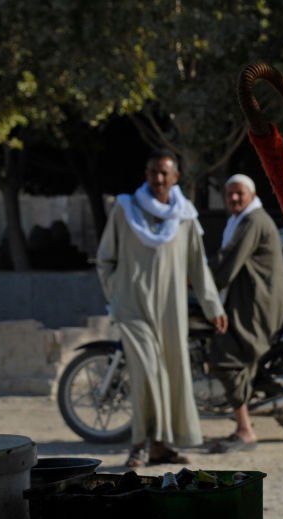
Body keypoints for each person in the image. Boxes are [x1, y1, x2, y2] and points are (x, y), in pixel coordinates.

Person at [96, 150, 228, 467]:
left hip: (170, 309)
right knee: (146, 373)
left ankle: (160, 445)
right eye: (153, 172)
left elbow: (198, 267)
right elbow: (105, 259)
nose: (158, 179)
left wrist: (213, 305)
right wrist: (117, 294)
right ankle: (139, 443)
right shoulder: (124, 209)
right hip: (132, 307)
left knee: (170, 373)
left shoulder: (185, 217)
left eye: (164, 173)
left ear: (175, 177)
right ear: (146, 173)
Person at [208, 174, 283, 452]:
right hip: (250, 299)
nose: (233, 198)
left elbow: (227, 262)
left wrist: (192, 274)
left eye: (238, 193)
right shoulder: (242, 220)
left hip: (258, 304)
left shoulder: (252, 221)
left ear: (251, 195)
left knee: (225, 356)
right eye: (229, 193)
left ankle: (245, 429)